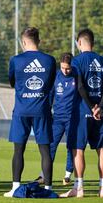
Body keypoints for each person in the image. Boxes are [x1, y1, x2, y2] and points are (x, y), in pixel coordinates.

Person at [4, 27, 56, 197]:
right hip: (42, 109)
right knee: (45, 150)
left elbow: (13, 82)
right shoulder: (49, 60)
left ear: (23, 42)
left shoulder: (16, 60)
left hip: (21, 110)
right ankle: (48, 189)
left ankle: (15, 187)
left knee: (18, 150)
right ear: (38, 41)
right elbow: (50, 84)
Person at [60, 28, 103, 198]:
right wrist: (100, 106)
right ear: (93, 42)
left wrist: (91, 107)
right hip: (100, 112)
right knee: (102, 149)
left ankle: (79, 188)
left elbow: (81, 87)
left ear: (79, 43)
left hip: (82, 110)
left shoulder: (77, 61)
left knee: (78, 150)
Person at [35, 53, 77, 186]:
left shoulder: (77, 75)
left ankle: (67, 175)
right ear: (60, 65)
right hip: (57, 118)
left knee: (72, 147)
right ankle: (43, 175)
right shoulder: (55, 76)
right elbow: (49, 97)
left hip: (73, 118)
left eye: (68, 68)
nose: (66, 71)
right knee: (51, 146)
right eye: (63, 68)